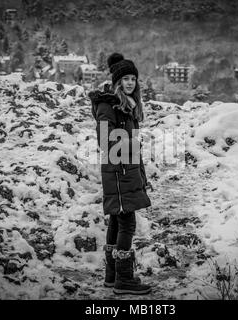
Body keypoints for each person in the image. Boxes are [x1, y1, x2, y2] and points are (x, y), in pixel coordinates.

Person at [88, 53, 152, 295]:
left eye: (133, 79)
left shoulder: (127, 106)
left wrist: (142, 175)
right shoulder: (108, 105)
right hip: (117, 172)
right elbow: (106, 141)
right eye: (125, 78)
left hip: (126, 171)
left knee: (117, 220)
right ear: (116, 81)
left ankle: (112, 276)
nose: (130, 83)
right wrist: (132, 146)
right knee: (128, 222)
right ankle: (124, 280)